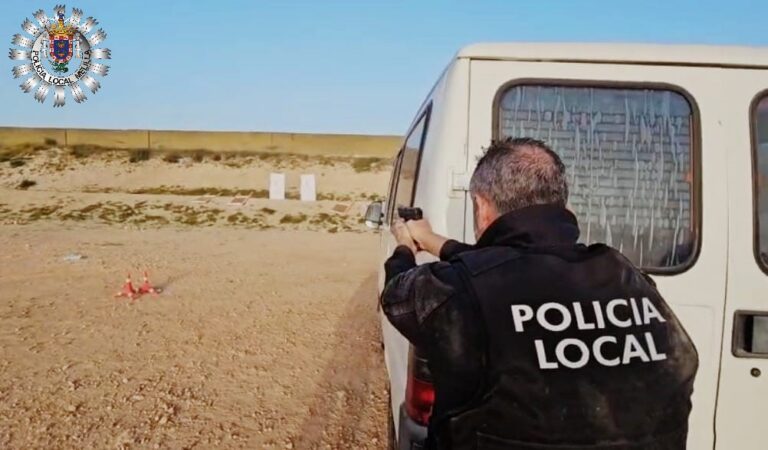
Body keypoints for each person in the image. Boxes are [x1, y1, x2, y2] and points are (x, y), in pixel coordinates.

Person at [380, 137, 699, 450]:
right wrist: (434, 240)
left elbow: (400, 295)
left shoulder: (465, 291)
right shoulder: (625, 274)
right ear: (563, 204)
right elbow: (506, 265)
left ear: (481, 206)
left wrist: (405, 247)